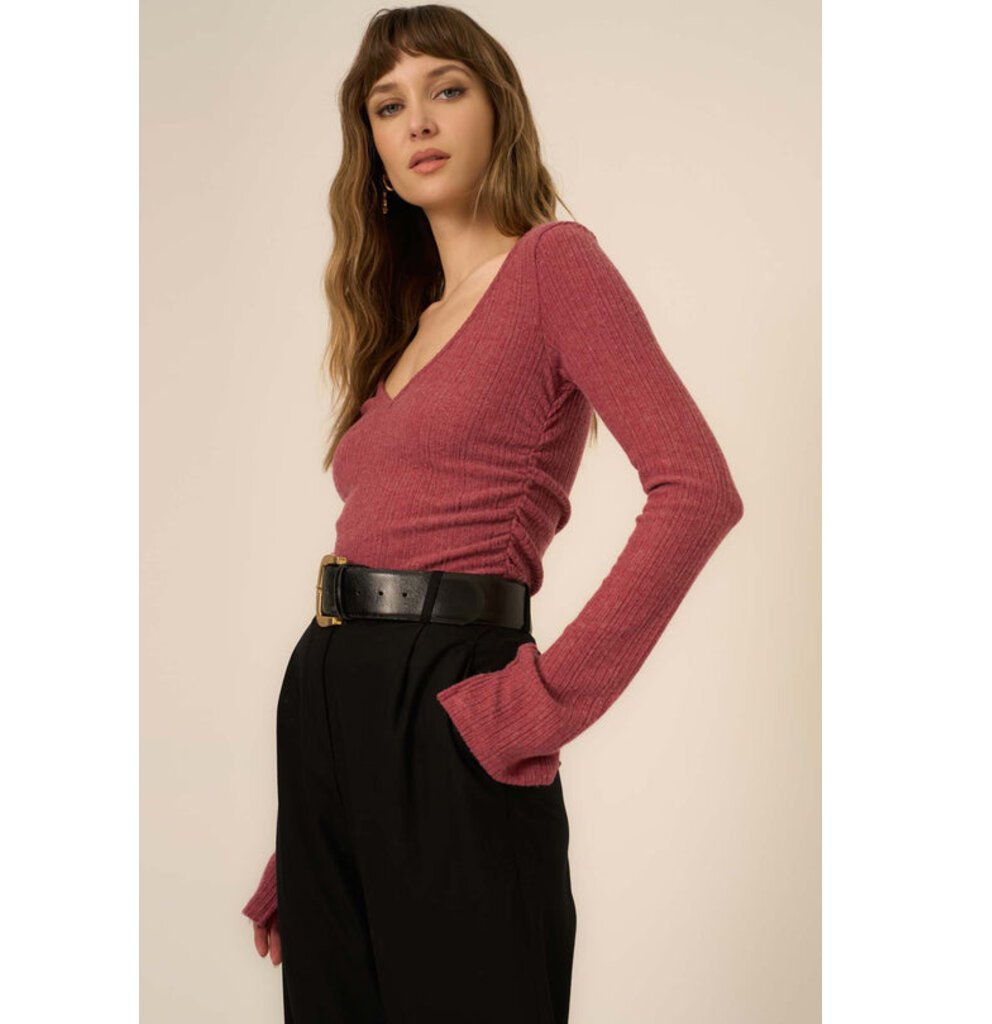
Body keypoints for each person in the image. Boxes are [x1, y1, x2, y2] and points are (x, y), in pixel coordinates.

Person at [241, 6, 744, 1021]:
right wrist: (310, 818)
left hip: (454, 701)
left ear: (497, 109)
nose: (418, 121)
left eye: (447, 89)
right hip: (333, 713)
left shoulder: (555, 265)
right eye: (388, 105)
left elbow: (697, 489)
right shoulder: (405, 322)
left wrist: (538, 705)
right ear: (372, 147)